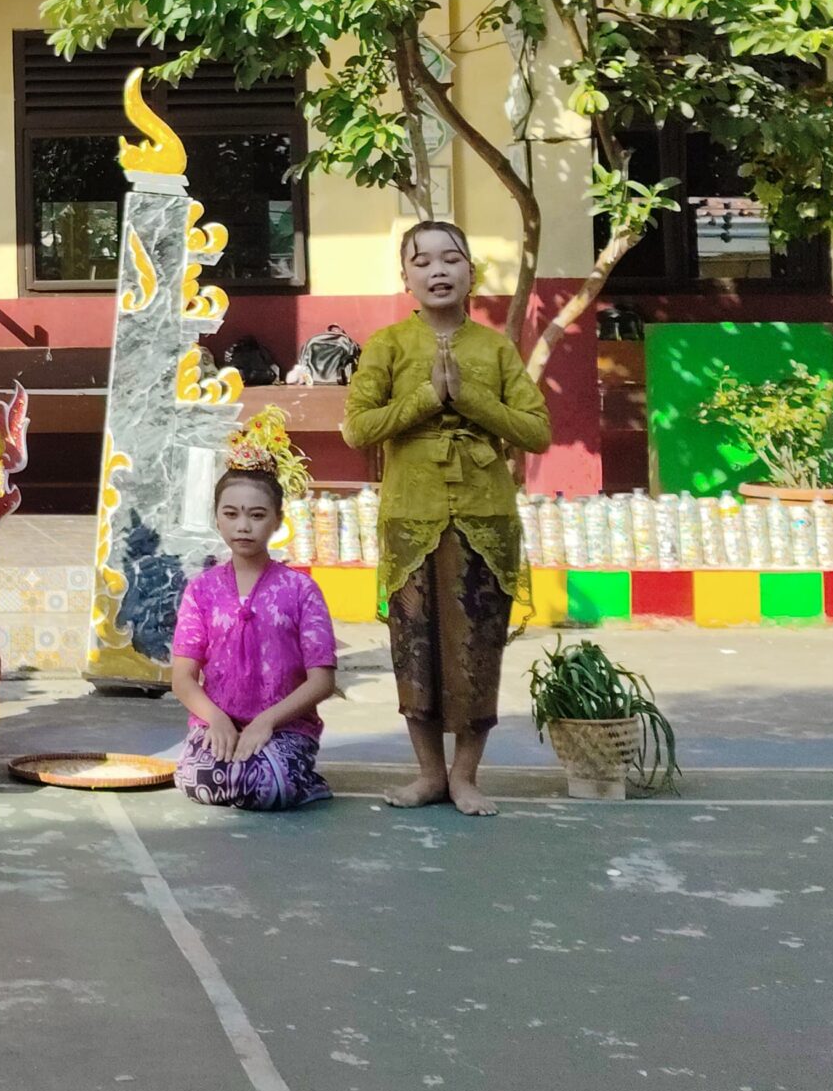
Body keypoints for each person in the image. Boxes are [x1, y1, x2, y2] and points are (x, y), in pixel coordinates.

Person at [342, 219, 551, 817]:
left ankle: (466, 777)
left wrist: (470, 399)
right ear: (405, 276)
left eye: (451, 259)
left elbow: (537, 431)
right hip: (411, 518)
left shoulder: (496, 348)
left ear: (470, 273)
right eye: (423, 261)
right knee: (416, 647)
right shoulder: (386, 345)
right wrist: (428, 399)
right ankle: (429, 775)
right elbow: (358, 427)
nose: (438, 270)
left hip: (485, 519)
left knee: (477, 647)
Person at [169, 411, 338, 812]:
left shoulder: (301, 590)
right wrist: (217, 719)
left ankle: (304, 780)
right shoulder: (201, 590)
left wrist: (266, 722)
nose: (243, 526)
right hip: (217, 723)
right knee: (199, 782)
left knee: (268, 787)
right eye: (231, 514)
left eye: (257, 515)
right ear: (217, 518)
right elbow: (182, 678)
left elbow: (322, 681)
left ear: (278, 521)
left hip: (286, 727)